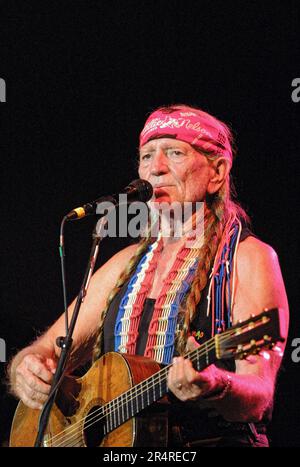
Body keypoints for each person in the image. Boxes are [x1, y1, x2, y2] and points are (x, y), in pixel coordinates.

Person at [8, 104, 289, 447]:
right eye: (146, 155)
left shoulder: (247, 258)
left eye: (174, 152)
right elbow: (44, 351)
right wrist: (26, 369)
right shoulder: (123, 265)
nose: (155, 169)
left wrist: (217, 384)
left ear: (217, 172)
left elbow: (259, 393)